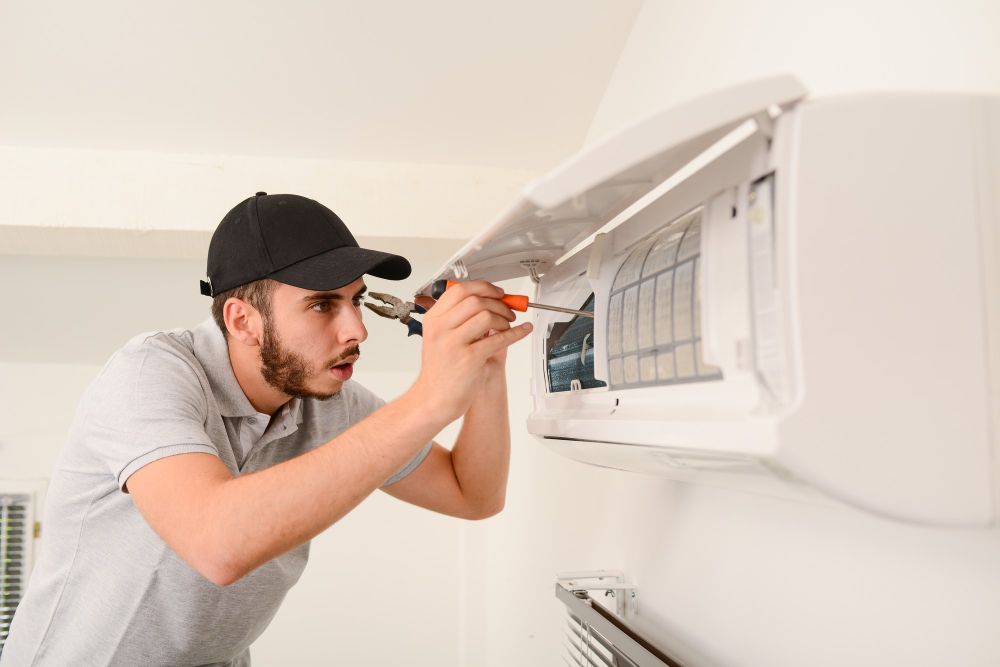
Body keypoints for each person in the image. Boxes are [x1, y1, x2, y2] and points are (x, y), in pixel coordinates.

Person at [1, 192, 532, 666]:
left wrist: (485, 366)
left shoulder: (330, 403)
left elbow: (473, 494)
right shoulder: (149, 374)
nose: (357, 328)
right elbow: (217, 545)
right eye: (322, 304)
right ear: (241, 320)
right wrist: (428, 401)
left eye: (354, 300)